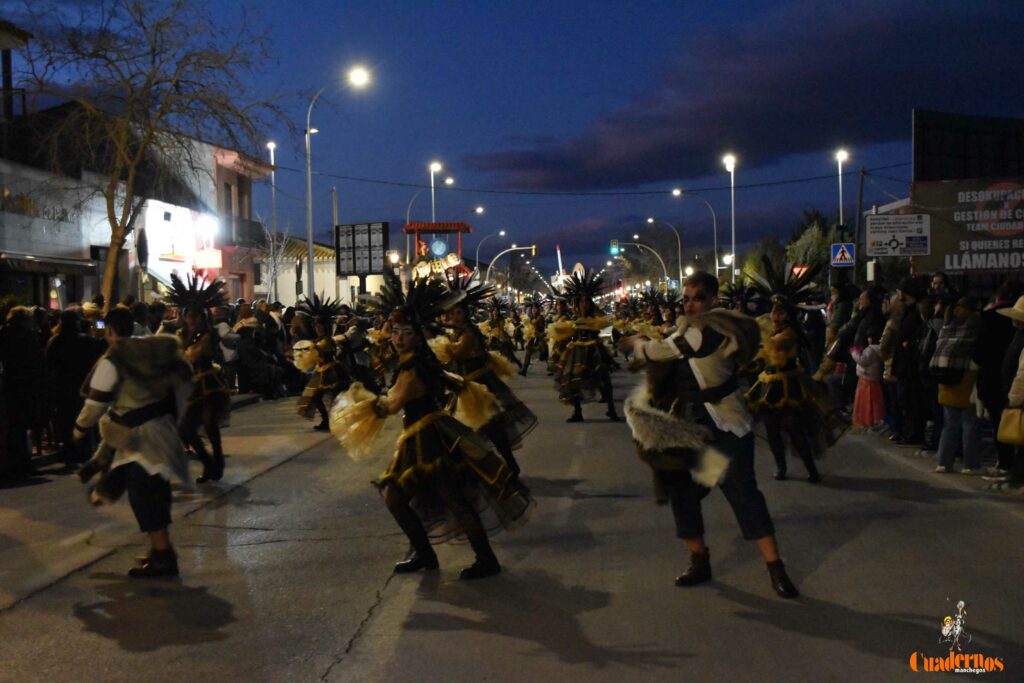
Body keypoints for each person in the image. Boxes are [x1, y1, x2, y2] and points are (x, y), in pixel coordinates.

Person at [332, 274, 533, 579]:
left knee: (419, 498)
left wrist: (360, 403)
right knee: (435, 498)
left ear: (419, 335)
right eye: (396, 331)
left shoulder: (414, 366)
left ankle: (467, 558)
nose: (399, 338)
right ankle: (437, 555)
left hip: (429, 438)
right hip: (425, 434)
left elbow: (393, 404)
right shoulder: (418, 360)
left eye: (407, 332)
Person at [620, 271, 799, 599]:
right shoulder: (695, 327)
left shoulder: (710, 330)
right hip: (695, 431)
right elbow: (673, 342)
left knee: (743, 493)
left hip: (726, 426)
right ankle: (699, 560)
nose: (690, 304)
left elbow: (664, 351)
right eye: (686, 298)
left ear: (713, 300)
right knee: (681, 488)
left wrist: (637, 343)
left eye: (698, 297)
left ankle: (776, 568)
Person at [73, 307, 193, 577]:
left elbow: (95, 404)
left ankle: (163, 556)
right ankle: (160, 550)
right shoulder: (155, 353)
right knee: (152, 491)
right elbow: (183, 385)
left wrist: (80, 428)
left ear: (110, 331)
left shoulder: (115, 358)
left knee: (144, 495)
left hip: (140, 439)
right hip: (162, 431)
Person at [440, 274, 537, 477]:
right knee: (466, 430)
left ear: (465, 314)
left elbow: (455, 353)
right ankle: (478, 469)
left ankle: (510, 464)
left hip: (479, 386)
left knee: (491, 428)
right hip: (464, 386)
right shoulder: (458, 331)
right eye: (452, 313)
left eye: (457, 313)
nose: (454, 317)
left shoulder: (468, 333)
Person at [167, 273, 231, 483]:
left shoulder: (208, 334)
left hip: (210, 385)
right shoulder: (183, 334)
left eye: (195, 316)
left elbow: (193, 355)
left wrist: (179, 352)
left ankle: (218, 463)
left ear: (203, 316)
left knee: (210, 425)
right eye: (188, 316)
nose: (191, 320)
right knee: (187, 429)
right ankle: (208, 462)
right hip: (191, 386)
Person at [554, 270, 620, 423]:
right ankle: (578, 412)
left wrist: (611, 334)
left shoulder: (596, 317)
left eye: (586, 301)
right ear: (577, 303)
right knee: (574, 382)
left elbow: (607, 330)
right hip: (577, 352)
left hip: (594, 351)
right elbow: (567, 333)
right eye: (581, 301)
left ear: (590, 303)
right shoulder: (574, 318)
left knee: (604, 380)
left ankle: (611, 410)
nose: (584, 304)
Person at [932, 298, 981, 474]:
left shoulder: (946, 327)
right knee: (969, 422)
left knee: (949, 423)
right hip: (965, 378)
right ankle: (970, 464)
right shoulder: (972, 327)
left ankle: (944, 462)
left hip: (945, 378)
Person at [294, 294, 346, 431]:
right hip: (321, 371)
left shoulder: (326, 340)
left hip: (330, 373)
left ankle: (333, 421)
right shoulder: (320, 339)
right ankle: (328, 421)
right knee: (318, 397)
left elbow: (319, 351)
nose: (317, 327)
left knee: (332, 399)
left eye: (319, 325)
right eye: (315, 325)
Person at [851, 326, 885, 430]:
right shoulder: (879, 349)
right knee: (875, 401)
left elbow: (862, 360)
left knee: (867, 403)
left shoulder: (870, 350)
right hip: (875, 378)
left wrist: (854, 352)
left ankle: (867, 420)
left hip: (867, 378)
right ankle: (874, 420)